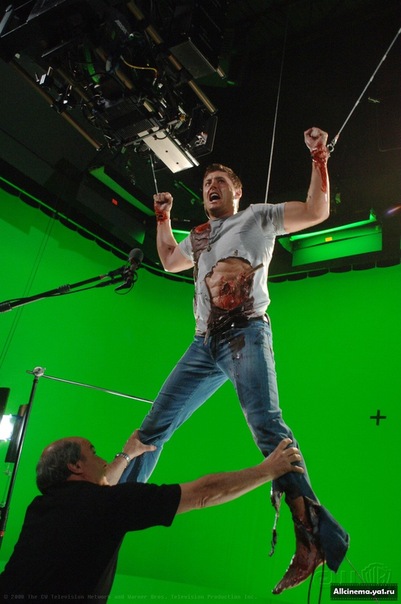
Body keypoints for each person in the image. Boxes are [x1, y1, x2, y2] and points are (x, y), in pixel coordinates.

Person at [120, 127, 349, 593]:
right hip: (202, 344)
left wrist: (319, 157)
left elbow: (316, 211)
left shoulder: (258, 217)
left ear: (236, 192)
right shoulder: (200, 234)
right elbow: (170, 261)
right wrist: (163, 218)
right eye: (207, 182)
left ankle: (314, 536)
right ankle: (118, 510)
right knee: (152, 430)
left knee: (266, 424)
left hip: (245, 333)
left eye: (220, 181)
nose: (211, 186)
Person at [0, 431, 303, 600]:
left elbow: (100, 491)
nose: (102, 460)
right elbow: (202, 493)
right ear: (76, 467)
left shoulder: (41, 508)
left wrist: (127, 454)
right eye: (93, 452)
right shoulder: (102, 505)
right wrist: (268, 469)